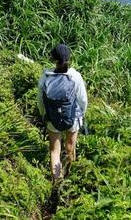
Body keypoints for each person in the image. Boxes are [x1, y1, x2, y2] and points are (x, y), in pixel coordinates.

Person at [37, 44, 87, 181]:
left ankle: (57, 183)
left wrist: (44, 115)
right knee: (70, 147)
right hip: (73, 117)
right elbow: (83, 100)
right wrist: (81, 114)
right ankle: (70, 180)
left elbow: (40, 101)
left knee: (54, 151)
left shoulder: (46, 76)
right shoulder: (75, 76)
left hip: (53, 118)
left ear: (53, 58)